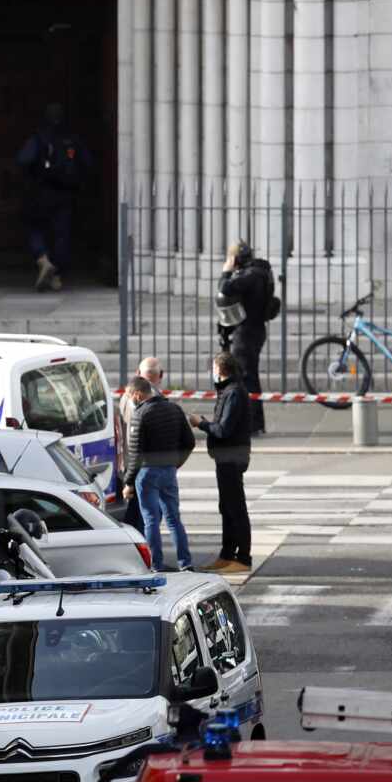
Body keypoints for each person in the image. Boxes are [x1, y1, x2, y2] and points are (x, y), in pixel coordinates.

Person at [15, 102, 94, 292]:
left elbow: (22, 160)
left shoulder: (39, 138)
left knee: (33, 226)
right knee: (62, 235)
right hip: (65, 194)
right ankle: (56, 275)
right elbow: (88, 163)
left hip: (41, 193)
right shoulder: (72, 140)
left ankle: (42, 259)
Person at [121, 377, 196, 572]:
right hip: (169, 471)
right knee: (173, 519)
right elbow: (189, 442)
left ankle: (155, 564)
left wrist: (128, 482)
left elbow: (136, 453)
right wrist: (175, 464)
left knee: (151, 520)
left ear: (137, 394)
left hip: (147, 473)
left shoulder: (140, 414)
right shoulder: (175, 409)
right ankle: (185, 563)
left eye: (130, 396)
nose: (130, 400)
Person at [191, 352, 253, 572]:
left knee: (236, 507)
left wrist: (202, 424)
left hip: (232, 458)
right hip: (225, 458)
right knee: (226, 506)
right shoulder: (227, 391)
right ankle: (227, 554)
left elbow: (223, 429)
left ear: (221, 370)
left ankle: (243, 557)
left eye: (214, 369)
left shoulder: (234, 393)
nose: (213, 373)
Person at [218, 241, 273, 436]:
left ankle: (252, 424)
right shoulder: (261, 271)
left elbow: (224, 288)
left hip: (246, 332)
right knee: (250, 377)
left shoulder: (250, 276)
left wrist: (226, 271)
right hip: (256, 329)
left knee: (246, 379)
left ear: (234, 259)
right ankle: (256, 423)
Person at [117, 357, 167, 536]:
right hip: (148, 466)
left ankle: (133, 548)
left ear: (138, 374)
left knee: (134, 513)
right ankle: (145, 554)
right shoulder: (156, 400)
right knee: (150, 515)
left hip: (130, 464)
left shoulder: (125, 397)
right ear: (161, 376)